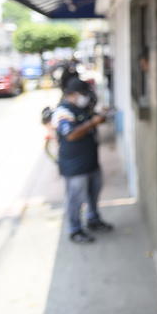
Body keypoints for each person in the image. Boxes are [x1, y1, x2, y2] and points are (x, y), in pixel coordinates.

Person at [53, 77, 113, 243]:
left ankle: (93, 219)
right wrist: (93, 123)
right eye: (83, 94)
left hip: (90, 161)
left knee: (94, 193)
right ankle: (75, 230)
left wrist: (101, 115)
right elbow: (71, 134)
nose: (86, 98)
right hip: (74, 167)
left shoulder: (82, 108)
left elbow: (92, 117)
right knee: (75, 199)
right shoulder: (62, 112)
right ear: (73, 94)